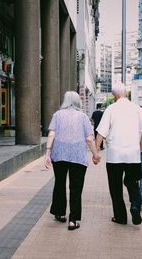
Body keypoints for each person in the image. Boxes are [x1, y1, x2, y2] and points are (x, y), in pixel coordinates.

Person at [95, 82, 142, 225]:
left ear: (114, 96)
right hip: (133, 155)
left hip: (114, 156)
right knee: (132, 183)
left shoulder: (111, 109)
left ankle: (120, 217)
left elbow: (100, 133)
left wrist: (96, 153)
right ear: (126, 93)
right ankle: (135, 205)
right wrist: (139, 148)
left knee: (115, 187)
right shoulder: (137, 109)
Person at [44, 91, 100, 231]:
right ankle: (73, 220)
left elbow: (51, 133)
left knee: (59, 184)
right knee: (76, 188)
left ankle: (59, 213)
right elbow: (89, 138)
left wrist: (47, 153)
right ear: (78, 102)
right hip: (78, 158)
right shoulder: (83, 117)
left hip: (59, 156)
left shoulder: (57, 115)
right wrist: (95, 155)